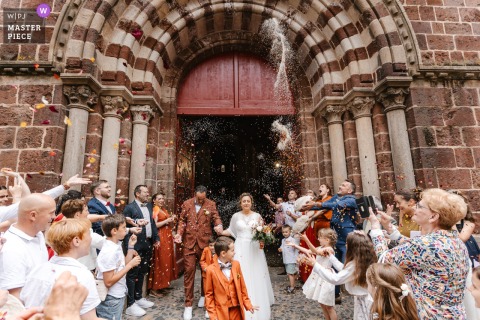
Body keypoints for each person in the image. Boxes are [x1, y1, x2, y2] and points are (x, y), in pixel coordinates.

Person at [368, 188, 469, 319]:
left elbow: (384, 259)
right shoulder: (454, 241)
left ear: (433, 216)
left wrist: (375, 228)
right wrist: (390, 228)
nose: (415, 207)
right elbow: (414, 248)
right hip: (455, 315)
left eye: (420, 206)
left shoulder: (425, 245)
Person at [21, 219, 102, 320]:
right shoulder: (82, 275)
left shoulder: (38, 269)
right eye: (89, 234)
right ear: (76, 240)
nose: (91, 239)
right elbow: (89, 318)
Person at [220, 193, 274, 320]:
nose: (246, 203)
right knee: (241, 272)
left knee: (255, 272)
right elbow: (231, 230)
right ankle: (239, 299)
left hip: (254, 248)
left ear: (251, 202)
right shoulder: (235, 216)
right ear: (240, 203)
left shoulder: (257, 216)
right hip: (240, 247)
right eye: (243, 201)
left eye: (248, 201)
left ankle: (257, 299)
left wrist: (263, 241)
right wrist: (221, 232)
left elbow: (264, 232)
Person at [302, 179, 357, 303]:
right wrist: (310, 205)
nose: (340, 185)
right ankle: (335, 294)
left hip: (347, 238)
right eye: (341, 183)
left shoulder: (351, 200)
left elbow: (336, 205)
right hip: (336, 238)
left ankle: (356, 289)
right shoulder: (337, 197)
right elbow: (328, 203)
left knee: (346, 265)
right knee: (333, 264)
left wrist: (318, 205)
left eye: (343, 185)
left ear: (350, 190)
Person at [174, 185, 223, 320]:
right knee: (189, 272)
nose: (201, 201)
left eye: (203, 199)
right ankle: (188, 305)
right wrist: (179, 234)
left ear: (206, 195)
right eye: (199, 198)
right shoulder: (186, 203)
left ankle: (205, 299)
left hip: (205, 243)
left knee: (206, 272)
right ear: (195, 194)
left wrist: (218, 225)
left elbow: (216, 217)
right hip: (189, 243)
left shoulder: (211, 204)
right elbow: (182, 220)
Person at [305, 231, 377, 320]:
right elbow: (344, 269)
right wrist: (330, 257)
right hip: (364, 297)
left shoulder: (355, 265)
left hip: (366, 300)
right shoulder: (361, 260)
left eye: (347, 243)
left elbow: (336, 279)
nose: (345, 245)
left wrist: (315, 264)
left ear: (353, 247)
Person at [0, 194, 56, 298]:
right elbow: (14, 297)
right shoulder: (13, 248)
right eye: (51, 213)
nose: (54, 217)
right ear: (33, 215)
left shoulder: (37, 234)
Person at [123, 185, 160, 317]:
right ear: (137, 194)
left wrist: (156, 238)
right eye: (145, 192)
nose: (147, 194)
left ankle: (138, 298)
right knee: (133, 273)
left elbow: (152, 223)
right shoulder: (129, 208)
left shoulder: (149, 206)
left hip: (147, 243)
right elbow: (124, 225)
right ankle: (130, 304)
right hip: (135, 244)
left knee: (143, 271)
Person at [96, 214, 142, 320]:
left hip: (118, 294)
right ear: (114, 231)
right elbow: (108, 282)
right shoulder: (109, 251)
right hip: (110, 298)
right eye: (124, 227)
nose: (126, 230)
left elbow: (122, 266)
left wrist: (131, 246)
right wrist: (131, 265)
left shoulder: (116, 245)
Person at [288, 228, 337, 320]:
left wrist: (306, 239)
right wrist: (295, 245)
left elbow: (315, 252)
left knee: (329, 306)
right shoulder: (321, 247)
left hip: (326, 277)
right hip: (319, 276)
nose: (318, 239)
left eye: (320, 237)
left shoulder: (329, 249)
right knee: (322, 303)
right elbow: (308, 251)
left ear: (327, 240)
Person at [204, 236, 257, 320]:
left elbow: (242, 287)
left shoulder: (236, 265)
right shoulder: (210, 270)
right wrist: (213, 316)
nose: (234, 252)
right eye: (232, 250)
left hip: (236, 309)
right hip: (221, 312)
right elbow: (209, 295)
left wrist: (248, 304)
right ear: (223, 253)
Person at [61, 199, 105, 271]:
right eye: (86, 210)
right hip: (83, 267)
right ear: (77, 214)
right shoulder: (81, 229)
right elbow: (102, 243)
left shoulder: (62, 226)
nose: (88, 213)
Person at [148, 192, 176, 295]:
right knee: (160, 260)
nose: (161, 200)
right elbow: (154, 224)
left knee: (166, 261)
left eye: (162, 198)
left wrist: (170, 219)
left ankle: (162, 285)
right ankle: (154, 288)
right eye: (159, 198)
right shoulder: (155, 209)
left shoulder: (163, 209)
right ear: (154, 200)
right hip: (161, 236)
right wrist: (167, 220)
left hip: (166, 236)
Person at [278, 225, 299, 294]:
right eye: (283, 232)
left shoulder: (292, 240)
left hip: (291, 259)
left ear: (290, 232)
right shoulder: (283, 240)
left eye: (286, 232)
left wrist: (296, 258)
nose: (284, 233)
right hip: (286, 259)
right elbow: (282, 246)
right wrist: (281, 249)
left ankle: (292, 287)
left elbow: (296, 249)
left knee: (290, 273)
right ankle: (293, 284)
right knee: (291, 273)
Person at [200, 237, 217, 319]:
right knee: (207, 292)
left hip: (215, 275)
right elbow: (202, 261)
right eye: (210, 245)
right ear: (208, 245)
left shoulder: (218, 251)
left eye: (214, 245)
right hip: (206, 275)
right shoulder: (206, 250)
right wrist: (205, 268)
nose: (212, 247)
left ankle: (216, 307)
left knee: (216, 291)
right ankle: (208, 308)